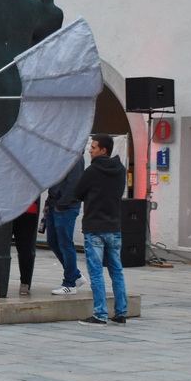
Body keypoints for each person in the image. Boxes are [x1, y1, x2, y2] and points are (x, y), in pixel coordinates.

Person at [70, 134, 128, 325]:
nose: (90, 150)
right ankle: (120, 313)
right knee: (116, 271)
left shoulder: (93, 171)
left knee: (96, 272)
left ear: (103, 150)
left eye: (93, 147)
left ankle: (100, 314)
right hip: (114, 226)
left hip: (94, 227)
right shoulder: (120, 170)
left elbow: (77, 192)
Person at [45, 156, 85, 294]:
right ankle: (75, 275)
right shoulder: (60, 154)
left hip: (65, 206)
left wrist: (62, 204)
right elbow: (55, 180)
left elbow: (74, 182)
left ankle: (70, 283)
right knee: (53, 241)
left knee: (65, 243)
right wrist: (49, 202)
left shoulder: (75, 157)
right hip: (55, 204)